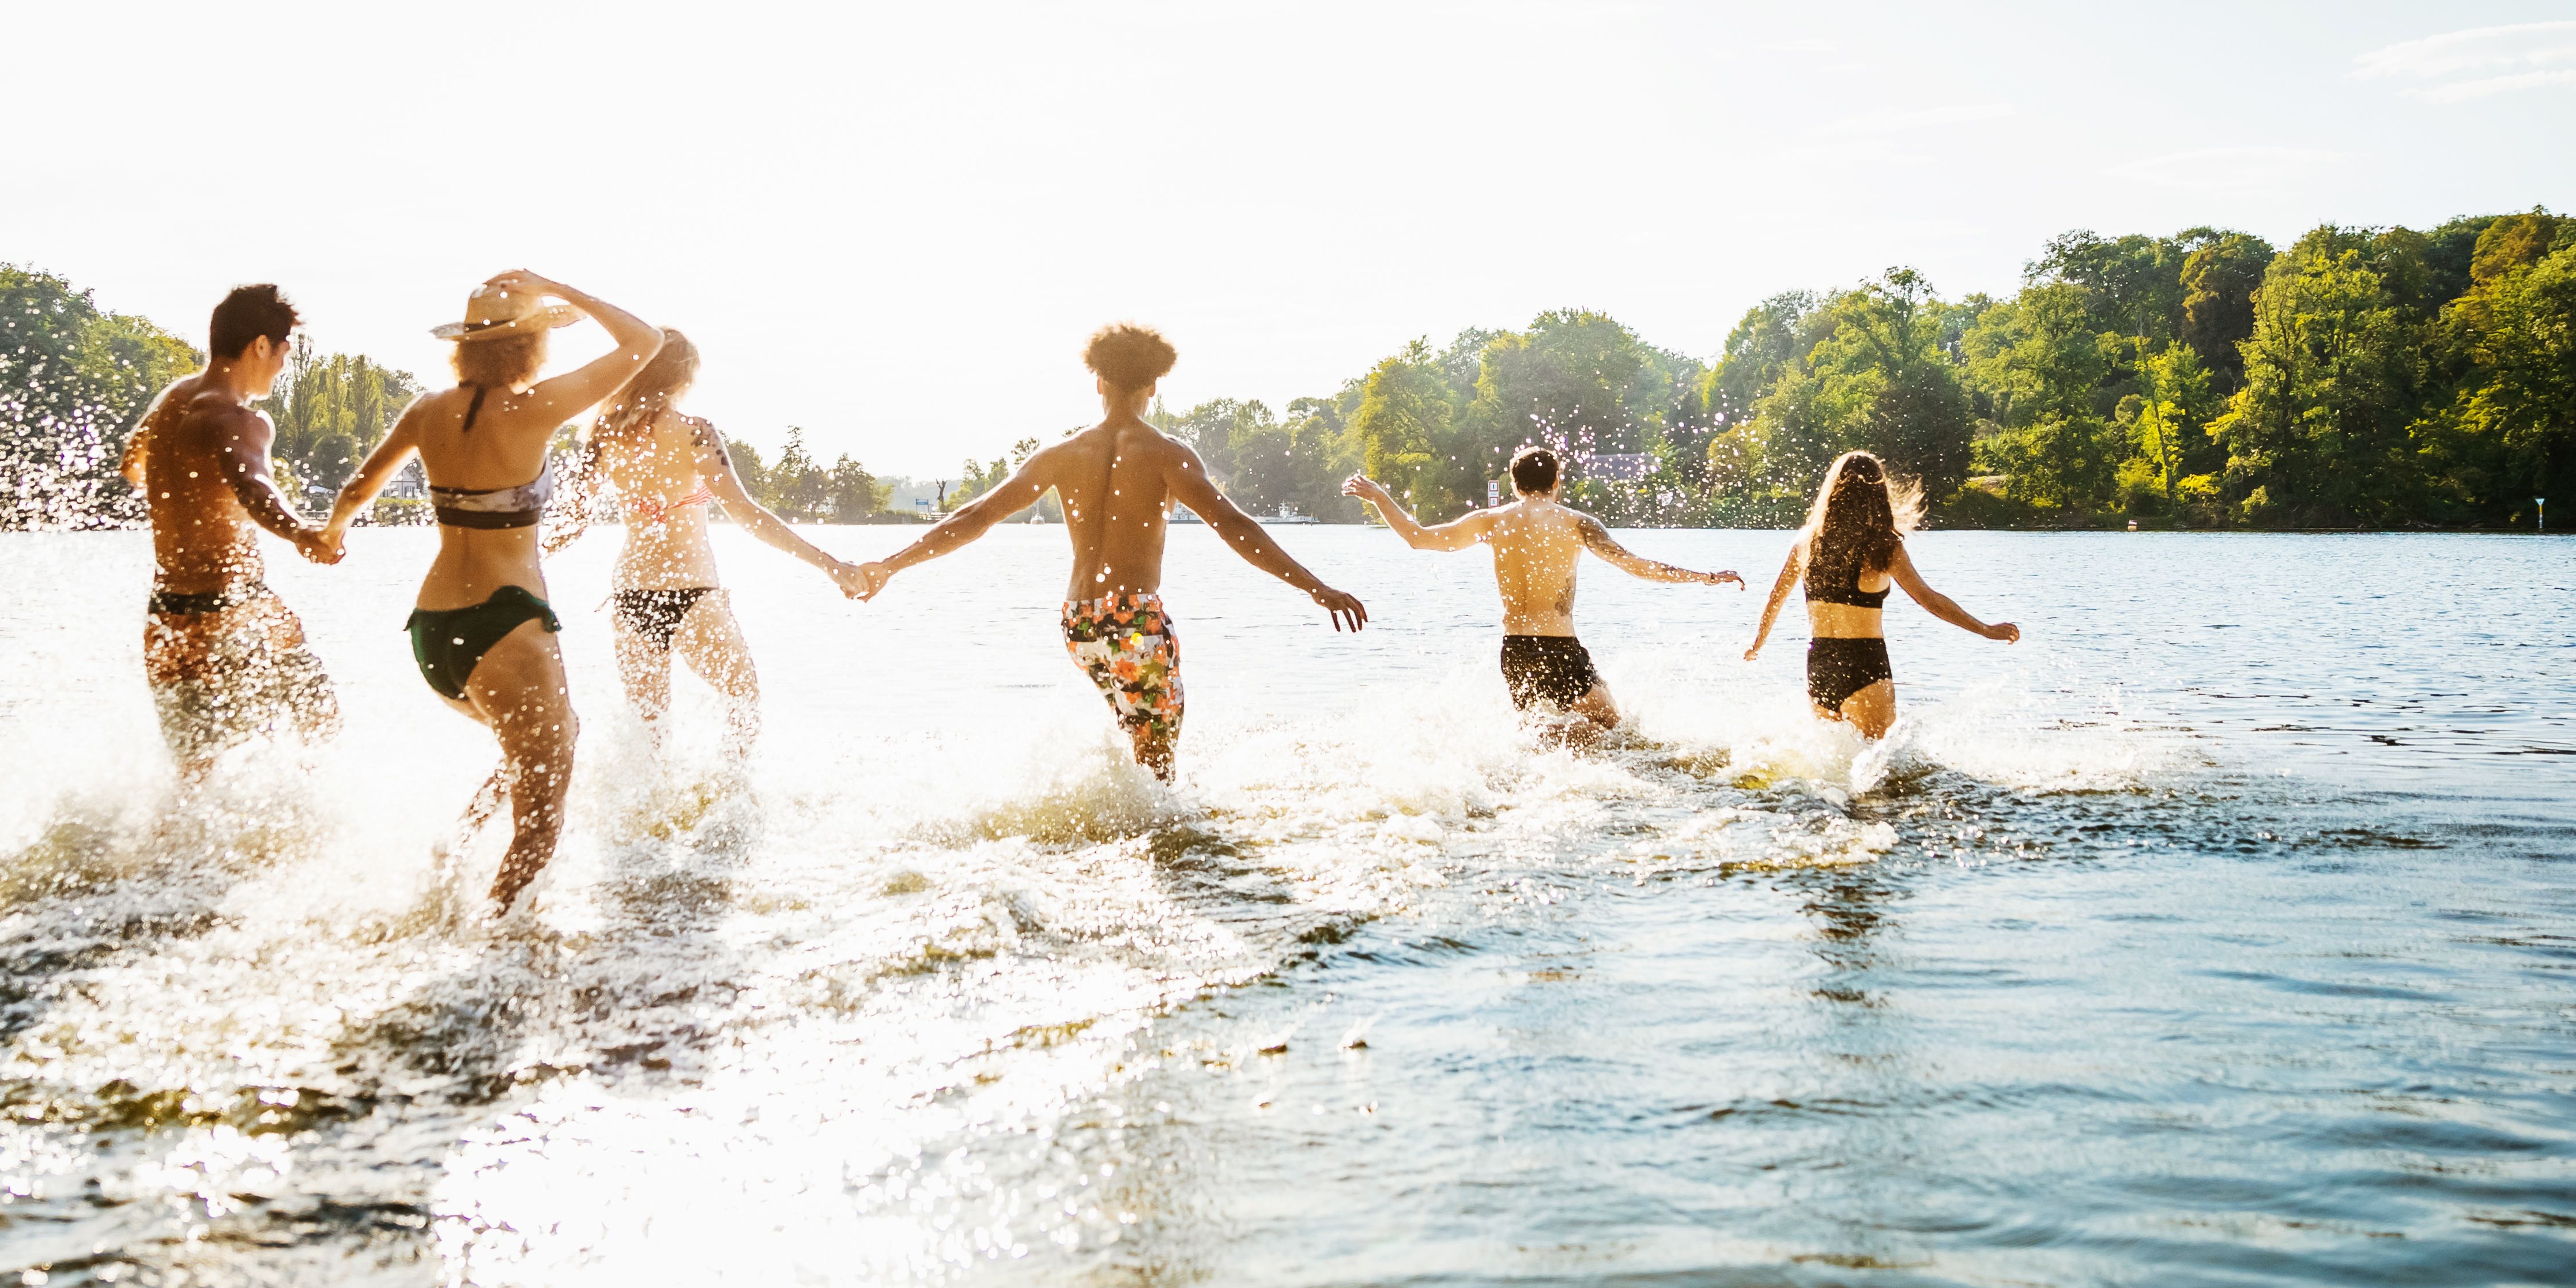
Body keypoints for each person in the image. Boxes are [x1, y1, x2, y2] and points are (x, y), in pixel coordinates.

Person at [852, 322, 1366, 780]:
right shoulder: (1167, 454)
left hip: (1079, 624)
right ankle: (1157, 841)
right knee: (1158, 766)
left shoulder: (1061, 454)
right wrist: (1315, 587)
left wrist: (891, 565)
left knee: (1138, 742)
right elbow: (1234, 526)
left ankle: (1115, 831)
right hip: (1134, 620)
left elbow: (975, 516)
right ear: (1153, 386)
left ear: (1097, 381)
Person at [324, 272, 661, 912]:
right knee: (541, 823)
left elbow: (357, 490)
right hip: (506, 624)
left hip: (432, 631)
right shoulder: (536, 408)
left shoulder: (426, 411)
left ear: (466, 348)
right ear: (529, 346)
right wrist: (558, 288)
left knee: (548, 737)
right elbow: (645, 341)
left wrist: (329, 535)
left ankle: (449, 861)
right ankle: (498, 944)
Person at [562, 328, 866, 746]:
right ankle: (732, 783)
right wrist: (830, 565)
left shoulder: (604, 435)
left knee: (648, 729)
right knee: (743, 698)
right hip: (692, 590)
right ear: (683, 378)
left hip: (632, 593)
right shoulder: (695, 432)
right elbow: (747, 515)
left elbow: (570, 521)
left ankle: (648, 791)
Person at [1343, 444, 1741, 746]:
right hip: (1560, 648)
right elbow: (1635, 565)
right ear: (1556, 482)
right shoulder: (1578, 523)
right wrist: (1705, 577)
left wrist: (1379, 495)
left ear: (1515, 485)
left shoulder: (1492, 521)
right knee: (1616, 733)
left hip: (1515, 650)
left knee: (1544, 732)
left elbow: (1417, 538)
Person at [119, 282, 342, 777]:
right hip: (235, 609)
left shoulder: (175, 399)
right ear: (261, 345)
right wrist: (302, 532)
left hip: (168, 616)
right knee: (319, 722)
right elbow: (255, 488)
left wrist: (187, 495)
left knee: (195, 773)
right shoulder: (238, 419)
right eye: (283, 352)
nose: (282, 366)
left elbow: (131, 465)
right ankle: (311, 821)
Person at [1741, 449, 2018, 736]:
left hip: (1820, 663)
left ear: (1832, 491)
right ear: (1877, 494)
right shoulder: (1884, 548)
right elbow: (1929, 600)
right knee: (1880, 758)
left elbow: (1776, 598)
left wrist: (1757, 644)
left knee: (1833, 757)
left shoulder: (1806, 542)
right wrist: (1984, 629)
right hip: (1864, 662)